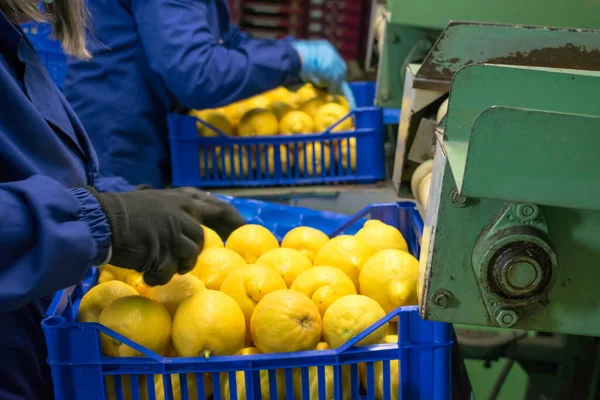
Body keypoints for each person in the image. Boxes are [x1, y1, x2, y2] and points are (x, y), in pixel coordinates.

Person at [0, 1, 245, 398]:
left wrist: (129, 199)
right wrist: (101, 220)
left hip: (39, 350)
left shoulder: (9, 36)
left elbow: (38, 174)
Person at [65, 0, 355, 188]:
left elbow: (224, 43)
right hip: (120, 143)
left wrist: (289, 56)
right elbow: (195, 73)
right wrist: (294, 60)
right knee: (121, 275)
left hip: (145, 132)